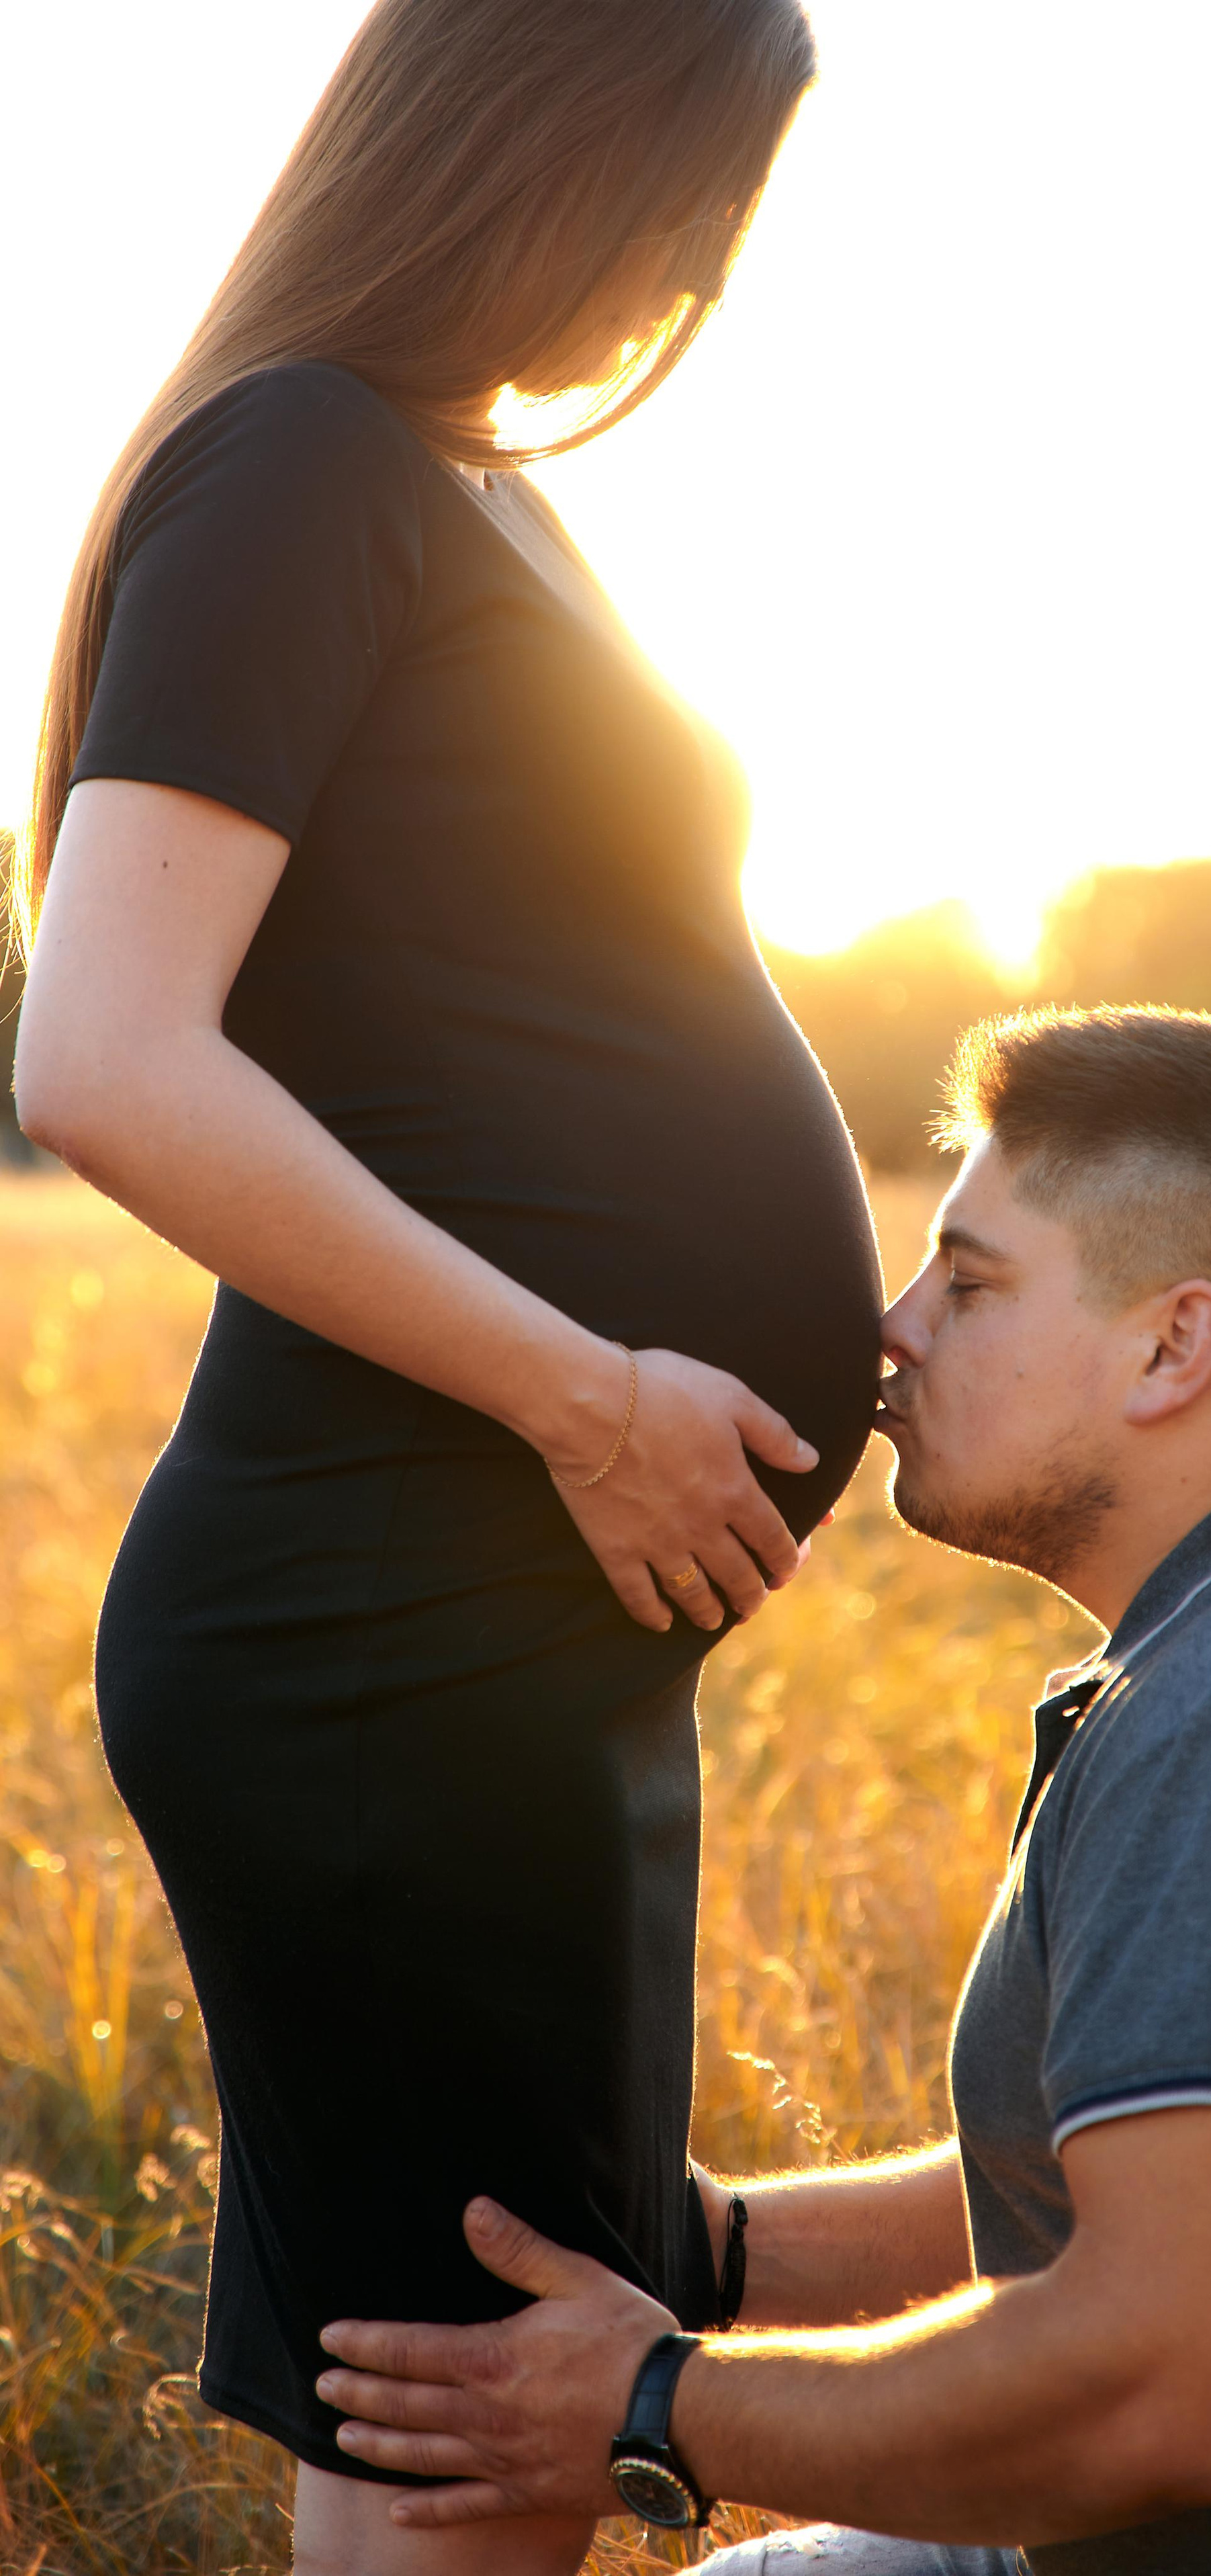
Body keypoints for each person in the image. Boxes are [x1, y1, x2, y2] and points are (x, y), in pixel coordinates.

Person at [11, 5, 883, 2571]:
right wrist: (593, 1394)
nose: (694, 272)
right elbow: (108, 1054)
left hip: (494, 1639)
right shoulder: (300, 463)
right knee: (482, 2430)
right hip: (386, 1625)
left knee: (475, 2414)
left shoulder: (446, 480)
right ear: (530, 132)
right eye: (681, 193)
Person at [318, 1006, 1211, 2575]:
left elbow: (1158, 2395)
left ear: (1170, 1345)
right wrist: (713, 2255)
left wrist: (652, 2404)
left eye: (966, 1282)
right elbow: (1151, 2168)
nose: (891, 1328)